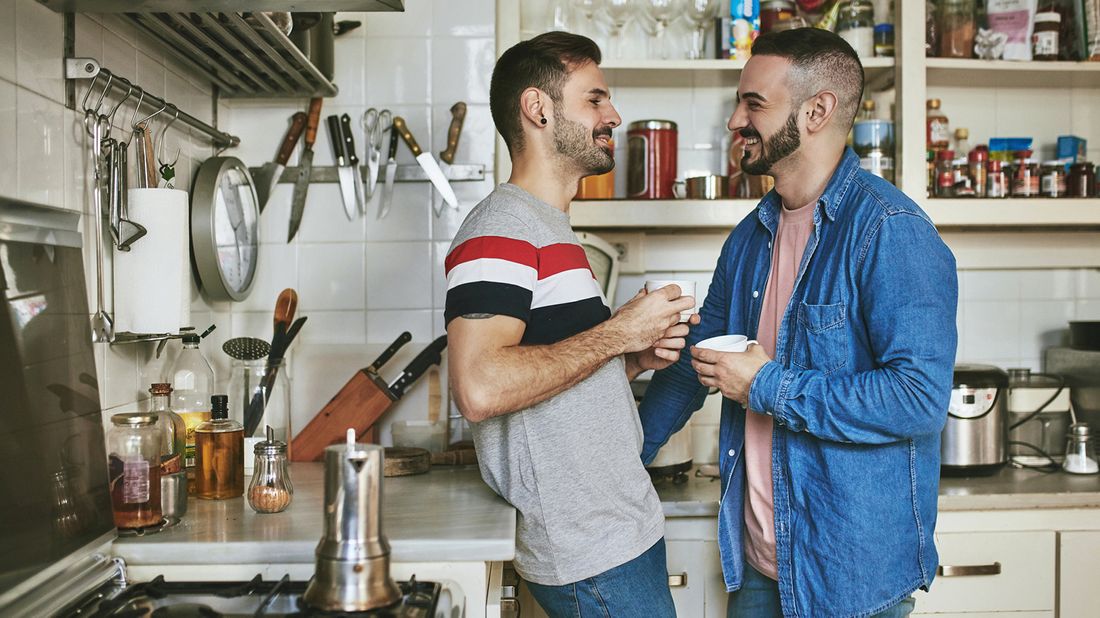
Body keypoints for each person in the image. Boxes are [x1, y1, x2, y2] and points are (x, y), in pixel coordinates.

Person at [639, 28, 958, 617]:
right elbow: (694, 362)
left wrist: (766, 385)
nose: (735, 120)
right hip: (759, 567)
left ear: (816, 111)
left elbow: (918, 399)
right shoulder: (749, 237)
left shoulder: (890, 230)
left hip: (848, 577)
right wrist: (624, 457)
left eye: (753, 103)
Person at [444, 31, 692, 617]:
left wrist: (630, 358)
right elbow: (480, 386)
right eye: (595, 100)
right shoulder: (500, 229)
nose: (614, 115)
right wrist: (619, 334)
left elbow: (550, 371)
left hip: (618, 532)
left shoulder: (550, 230)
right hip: (589, 553)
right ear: (538, 109)